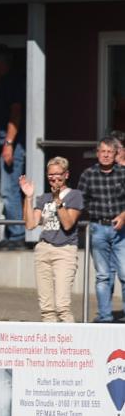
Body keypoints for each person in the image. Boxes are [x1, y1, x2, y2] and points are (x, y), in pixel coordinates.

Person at [19, 157, 83, 322]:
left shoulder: (75, 195)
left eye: (58, 174)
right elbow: (30, 224)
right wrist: (28, 197)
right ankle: (51, 338)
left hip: (64, 250)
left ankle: (70, 338)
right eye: (50, 175)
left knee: (62, 306)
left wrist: (58, 201)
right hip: (43, 249)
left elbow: (68, 224)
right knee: (47, 309)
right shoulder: (44, 198)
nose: (54, 178)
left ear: (66, 174)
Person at [78, 137, 125, 323]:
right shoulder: (88, 175)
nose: (106, 155)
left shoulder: (123, 173)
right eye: (103, 151)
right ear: (97, 153)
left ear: (115, 154)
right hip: (98, 228)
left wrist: (123, 216)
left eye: (109, 152)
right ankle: (105, 317)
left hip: (121, 230)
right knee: (103, 276)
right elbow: (81, 201)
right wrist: (95, 214)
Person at [0, 44, 27, 248]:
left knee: (9, 188)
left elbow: (16, 112)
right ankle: (13, 235)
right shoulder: (3, 83)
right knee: (7, 189)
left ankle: (17, 236)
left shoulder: (12, 81)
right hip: (4, 139)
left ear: (0, 63)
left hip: (13, 141)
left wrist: (9, 144)